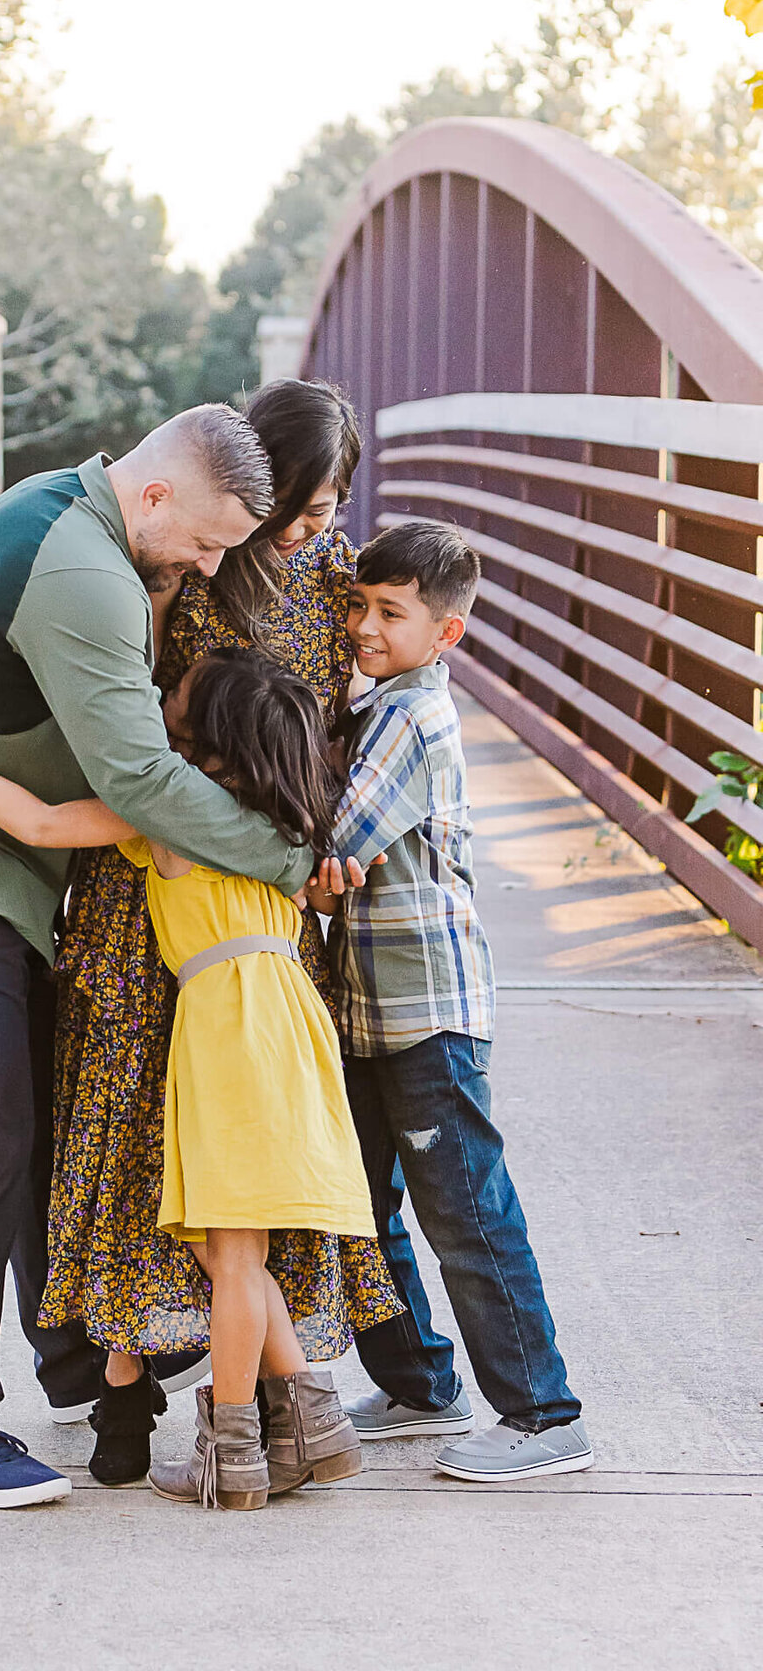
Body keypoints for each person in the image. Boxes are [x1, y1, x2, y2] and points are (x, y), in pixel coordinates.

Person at [0, 405, 317, 1510]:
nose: (206, 567)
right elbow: (139, 781)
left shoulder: (81, 517)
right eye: (203, 542)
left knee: (31, 1127)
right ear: (153, 495)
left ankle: (72, 1356)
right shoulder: (84, 572)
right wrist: (282, 852)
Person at [0, 648, 392, 1510]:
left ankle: (233, 1455)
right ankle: (313, 1425)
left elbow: (40, 824)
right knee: (236, 1246)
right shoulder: (287, 822)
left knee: (227, 1250)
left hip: (225, 1026)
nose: (163, 701)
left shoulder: (171, 811)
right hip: (293, 1020)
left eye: (177, 700)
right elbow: (333, 893)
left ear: (209, 743)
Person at [42, 380, 399, 1487]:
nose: (305, 527)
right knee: (125, 1126)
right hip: (151, 874)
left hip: (258, 903)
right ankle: (122, 1393)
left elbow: (403, 669)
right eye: (297, 502)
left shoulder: (340, 584)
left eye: (327, 508)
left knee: (238, 1158)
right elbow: (121, 699)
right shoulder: (182, 562)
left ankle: (277, 1411)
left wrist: (355, 828)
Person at [317, 518, 593, 1483]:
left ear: (447, 634)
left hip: (425, 1015)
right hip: (369, 1010)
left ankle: (543, 1413)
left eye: (391, 613)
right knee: (364, 1207)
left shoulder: (410, 717)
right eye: (358, 605)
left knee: (467, 1215)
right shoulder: (380, 700)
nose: (363, 627)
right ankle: (420, 1384)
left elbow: (336, 848)